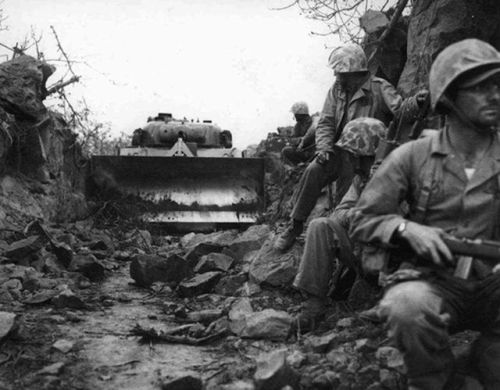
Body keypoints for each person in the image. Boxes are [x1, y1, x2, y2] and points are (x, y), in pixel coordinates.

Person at [350, 38, 500, 389]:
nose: (494, 95)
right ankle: (434, 379)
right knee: (406, 305)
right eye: (479, 87)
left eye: (498, 85)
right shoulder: (412, 156)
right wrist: (405, 229)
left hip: (493, 284)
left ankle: (483, 362)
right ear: (448, 96)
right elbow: (362, 218)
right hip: (434, 282)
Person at [274, 43, 427, 252]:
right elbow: (326, 121)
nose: (337, 78)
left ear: (355, 72)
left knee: (347, 192)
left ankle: (339, 241)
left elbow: (400, 112)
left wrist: (414, 104)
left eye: (341, 74)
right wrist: (324, 149)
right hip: (338, 149)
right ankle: (295, 225)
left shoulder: (380, 87)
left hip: (365, 156)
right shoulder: (336, 91)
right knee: (313, 170)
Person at [293, 117, 387, 331]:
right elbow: (338, 215)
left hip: (393, 261)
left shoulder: (399, 174)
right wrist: (357, 215)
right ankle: (313, 306)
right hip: (362, 252)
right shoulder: (360, 179)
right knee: (320, 226)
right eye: (351, 155)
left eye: (355, 156)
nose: (351, 162)